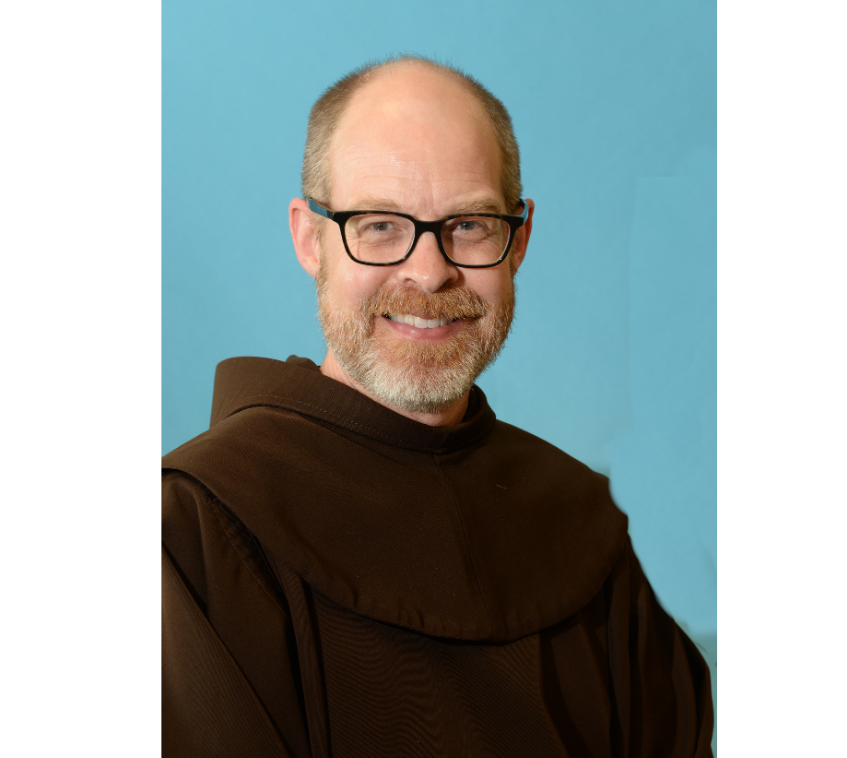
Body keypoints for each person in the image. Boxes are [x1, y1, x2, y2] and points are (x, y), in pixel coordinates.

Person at [162, 55, 714, 758]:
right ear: (310, 238)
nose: (429, 271)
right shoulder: (190, 538)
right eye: (381, 225)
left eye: (472, 224)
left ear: (521, 239)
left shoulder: (601, 541)